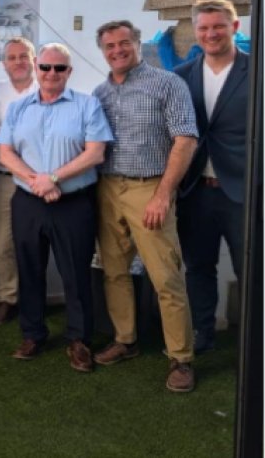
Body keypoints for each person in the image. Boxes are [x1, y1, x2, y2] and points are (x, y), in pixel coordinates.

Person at [93, 20, 198, 393]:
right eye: (110, 46)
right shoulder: (100, 92)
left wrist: (163, 194)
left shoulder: (168, 83)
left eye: (124, 43)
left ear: (138, 44)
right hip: (108, 188)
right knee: (114, 271)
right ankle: (126, 340)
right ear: (102, 51)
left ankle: (181, 358)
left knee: (165, 277)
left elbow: (185, 139)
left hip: (150, 187)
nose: (117, 51)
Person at [0, 43, 112, 372]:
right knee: (29, 269)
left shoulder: (87, 105)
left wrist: (54, 178)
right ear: (36, 68)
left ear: (69, 72)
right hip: (28, 201)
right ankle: (32, 334)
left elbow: (95, 153)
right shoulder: (18, 108)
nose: (51, 73)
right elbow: (4, 152)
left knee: (75, 272)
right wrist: (37, 181)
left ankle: (79, 340)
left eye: (59, 68)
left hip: (73, 203)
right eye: (45, 67)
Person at [175, 0, 248, 354]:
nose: (211, 33)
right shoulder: (181, 76)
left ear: (234, 27)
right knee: (198, 267)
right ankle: (203, 333)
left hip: (243, 192)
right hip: (196, 191)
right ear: (195, 31)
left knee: (251, 269)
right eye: (203, 28)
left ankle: (252, 338)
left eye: (218, 26)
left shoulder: (256, 71)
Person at [0, 37, 39, 326]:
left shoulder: (46, 89)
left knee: (37, 242)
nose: (18, 62)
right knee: (3, 243)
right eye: (12, 57)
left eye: (23, 56)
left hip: (40, 179)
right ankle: (8, 298)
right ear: (4, 63)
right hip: (5, 178)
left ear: (33, 60)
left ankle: (34, 299)